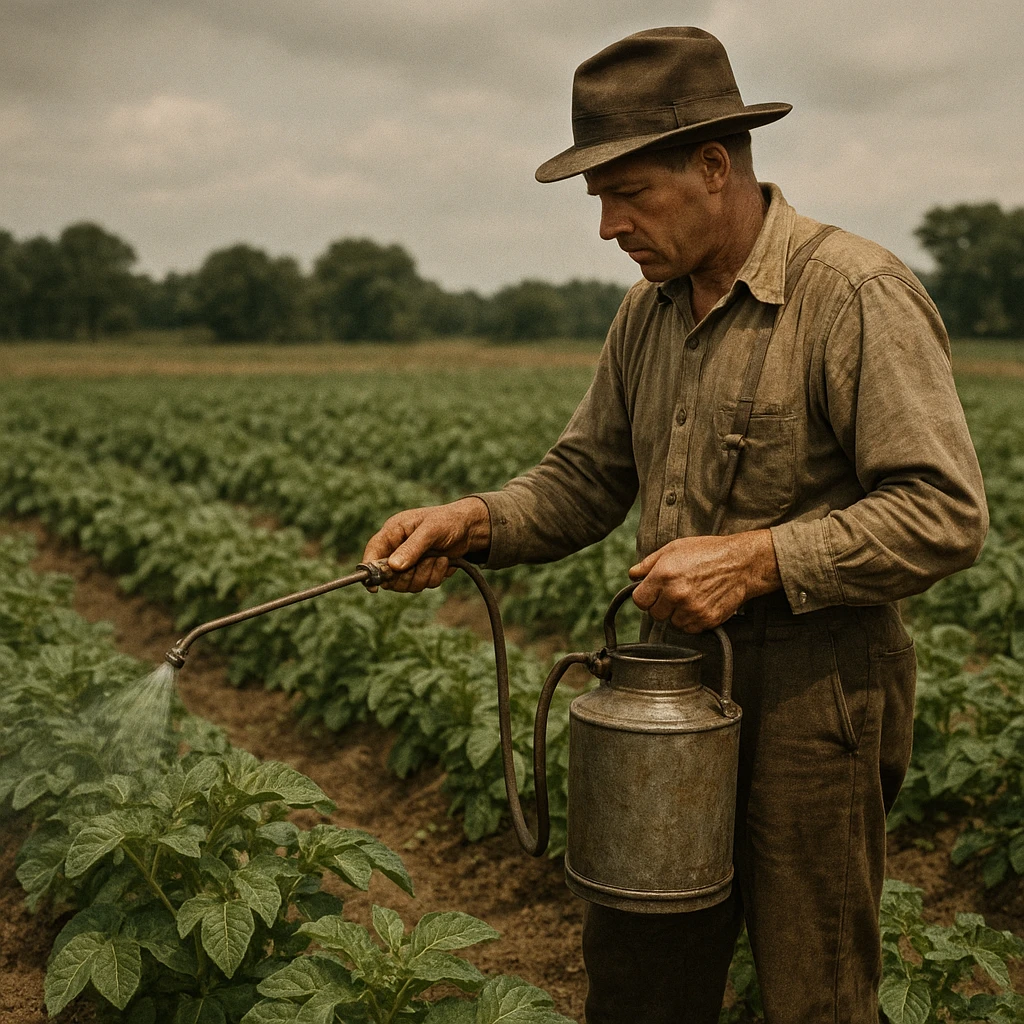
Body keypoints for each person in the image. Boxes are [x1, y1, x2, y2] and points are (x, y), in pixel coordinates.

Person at [362, 26, 988, 1024]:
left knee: (811, 991)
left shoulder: (849, 294)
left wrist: (758, 559)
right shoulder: (646, 314)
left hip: (814, 700)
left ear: (711, 166)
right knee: (640, 975)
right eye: (597, 200)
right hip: (666, 682)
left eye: (627, 193)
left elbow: (944, 512)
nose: (607, 225)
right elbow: (584, 477)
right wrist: (471, 521)